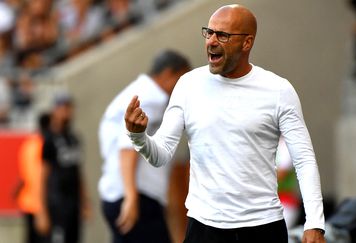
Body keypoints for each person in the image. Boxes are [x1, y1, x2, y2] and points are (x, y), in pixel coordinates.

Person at [124, 4, 325, 243]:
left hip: (262, 226)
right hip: (203, 227)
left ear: (247, 43)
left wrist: (314, 222)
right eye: (209, 32)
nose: (211, 41)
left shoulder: (279, 90)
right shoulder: (188, 85)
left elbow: (304, 159)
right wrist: (138, 136)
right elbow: (160, 155)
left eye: (223, 35)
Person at [98, 49, 191, 243]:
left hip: (119, 193)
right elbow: (128, 146)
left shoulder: (139, 91)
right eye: (181, 79)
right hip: (137, 197)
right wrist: (131, 197)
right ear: (168, 74)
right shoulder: (152, 97)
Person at [39, 93, 90, 243]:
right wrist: (42, 211)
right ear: (54, 110)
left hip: (73, 204)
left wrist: (85, 202)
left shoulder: (74, 139)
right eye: (63, 107)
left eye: (69, 107)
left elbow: (78, 172)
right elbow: (42, 177)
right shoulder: (49, 140)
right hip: (56, 204)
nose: (66, 111)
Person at [15, 113, 50, 243]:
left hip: (27, 201)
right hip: (39, 203)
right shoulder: (44, 146)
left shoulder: (28, 144)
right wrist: (42, 208)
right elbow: (38, 177)